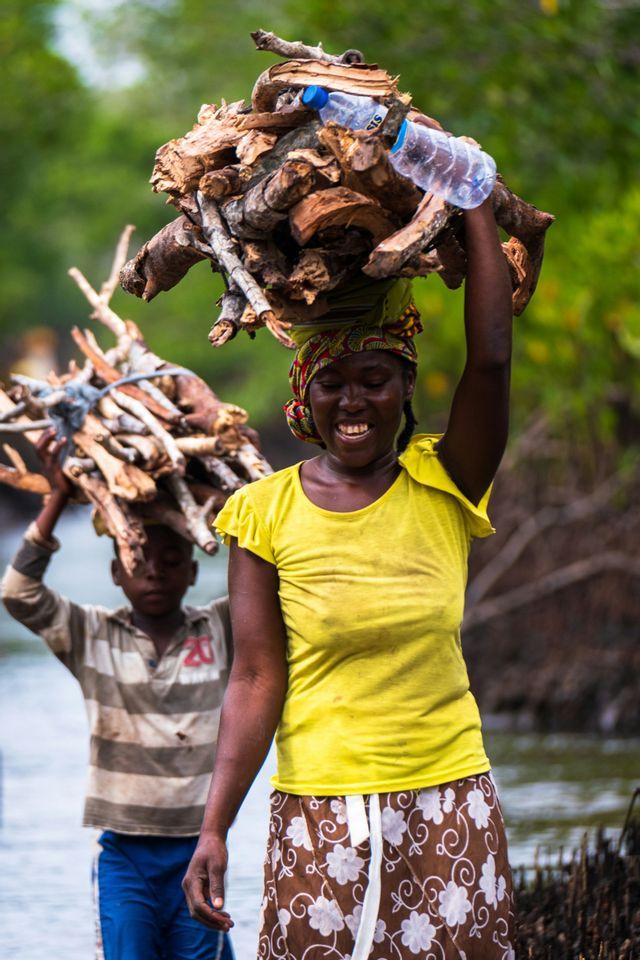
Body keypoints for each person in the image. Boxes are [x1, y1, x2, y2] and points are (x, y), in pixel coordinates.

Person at [183, 196, 515, 958]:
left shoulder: (447, 478)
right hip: (319, 811)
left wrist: (471, 202)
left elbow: (492, 359)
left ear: (404, 390)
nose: (355, 402)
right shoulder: (260, 513)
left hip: (449, 796)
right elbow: (256, 679)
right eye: (334, 382)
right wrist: (213, 828)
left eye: (376, 379)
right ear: (305, 397)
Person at [1, 431, 235, 960]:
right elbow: (18, 594)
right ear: (115, 572)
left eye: (171, 560)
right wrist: (58, 496)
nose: (154, 571)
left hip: (198, 847)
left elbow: (271, 582)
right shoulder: (91, 634)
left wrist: (228, 505)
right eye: (138, 560)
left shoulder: (219, 627)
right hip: (123, 853)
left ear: (194, 570)